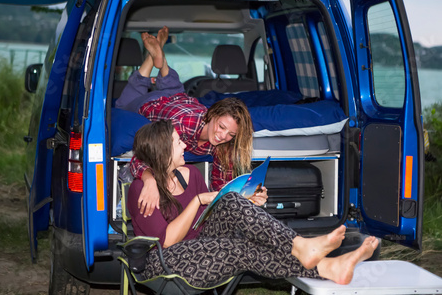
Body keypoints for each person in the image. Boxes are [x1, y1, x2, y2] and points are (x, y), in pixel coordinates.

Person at [127, 120, 379, 288]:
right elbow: (167, 242)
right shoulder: (142, 190)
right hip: (165, 262)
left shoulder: (190, 174)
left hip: (203, 245)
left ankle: (318, 258)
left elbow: (210, 215)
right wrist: (197, 200)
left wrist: (248, 205)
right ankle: (324, 264)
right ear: (161, 151)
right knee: (239, 249)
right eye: (177, 141)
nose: (184, 144)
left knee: (233, 201)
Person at [116, 26, 255, 217]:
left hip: (180, 96)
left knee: (175, 87)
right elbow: (140, 158)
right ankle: (156, 58)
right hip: (154, 101)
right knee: (124, 104)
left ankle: (161, 61)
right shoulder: (179, 128)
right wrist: (149, 181)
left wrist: (243, 197)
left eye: (231, 134)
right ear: (212, 114)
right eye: (221, 127)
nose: (223, 136)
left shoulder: (226, 142)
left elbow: (221, 184)